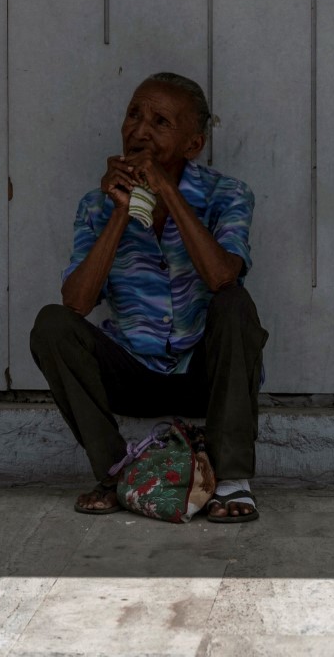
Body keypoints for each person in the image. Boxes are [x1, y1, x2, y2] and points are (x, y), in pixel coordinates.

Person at [30, 72, 267, 522]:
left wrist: (167, 193)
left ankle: (233, 481)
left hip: (204, 375)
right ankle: (114, 473)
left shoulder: (228, 195)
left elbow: (222, 277)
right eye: (134, 115)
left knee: (235, 304)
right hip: (132, 371)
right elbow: (76, 303)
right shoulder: (95, 205)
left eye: (160, 122)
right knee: (51, 325)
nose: (139, 130)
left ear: (192, 145)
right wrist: (121, 211)